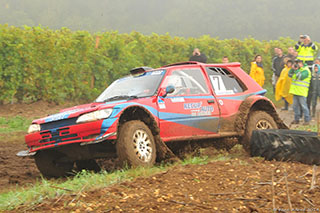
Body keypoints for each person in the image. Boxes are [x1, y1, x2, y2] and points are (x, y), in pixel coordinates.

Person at [288, 59, 312, 125]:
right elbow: (289, 75)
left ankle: (307, 120)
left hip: (302, 92)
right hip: (295, 91)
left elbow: (300, 77)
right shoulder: (297, 69)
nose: (297, 64)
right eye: (296, 63)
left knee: (304, 106)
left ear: (302, 63)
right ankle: (296, 119)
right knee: (295, 106)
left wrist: (296, 70)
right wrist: (292, 69)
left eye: (298, 63)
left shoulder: (306, 70)